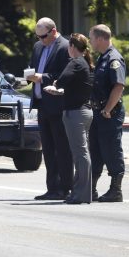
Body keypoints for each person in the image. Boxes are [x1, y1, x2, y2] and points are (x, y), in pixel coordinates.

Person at [44, 33, 94, 204]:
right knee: (82, 153)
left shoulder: (76, 62)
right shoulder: (84, 63)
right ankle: (82, 192)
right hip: (83, 111)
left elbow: (63, 79)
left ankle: (81, 193)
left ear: (72, 47)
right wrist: (60, 90)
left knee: (80, 154)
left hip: (76, 114)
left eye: (68, 48)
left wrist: (55, 86)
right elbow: (76, 88)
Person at [26, 17, 73, 201]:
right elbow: (33, 67)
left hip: (57, 104)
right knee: (48, 148)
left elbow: (65, 75)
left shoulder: (65, 47)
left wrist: (42, 77)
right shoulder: (38, 47)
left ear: (53, 31)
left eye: (43, 36)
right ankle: (52, 187)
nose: (40, 40)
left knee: (61, 148)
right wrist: (29, 76)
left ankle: (64, 187)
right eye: (37, 37)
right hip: (41, 104)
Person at [88, 24, 126, 202]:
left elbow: (119, 86)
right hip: (98, 112)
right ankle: (91, 188)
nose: (90, 42)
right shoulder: (103, 58)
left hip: (109, 113)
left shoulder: (114, 59)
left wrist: (107, 109)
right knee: (95, 149)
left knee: (111, 149)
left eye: (92, 38)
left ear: (101, 38)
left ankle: (115, 190)